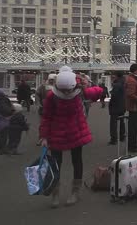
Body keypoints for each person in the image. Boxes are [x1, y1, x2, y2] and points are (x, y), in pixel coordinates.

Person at [39, 66, 103, 207]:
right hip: (57, 132)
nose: (67, 93)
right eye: (64, 90)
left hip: (75, 131)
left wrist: (86, 83)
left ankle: (75, 192)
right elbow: (46, 117)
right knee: (56, 164)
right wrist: (44, 137)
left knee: (77, 161)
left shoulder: (80, 92)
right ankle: (55, 193)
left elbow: (98, 91)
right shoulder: (52, 96)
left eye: (69, 90)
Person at [125, 64, 137, 153]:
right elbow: (130, 94)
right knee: (133, 128)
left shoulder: (131, 79)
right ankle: (132, 146)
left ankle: (133, 145)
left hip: (134, 107)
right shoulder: (132, 81)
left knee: (134, 127)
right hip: (134, 107)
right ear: (135, 71)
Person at [108, 72, 126, 145]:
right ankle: (122, 136)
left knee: (113, 123)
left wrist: (111, 104)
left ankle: (114, 139)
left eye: (113, 75)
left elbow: (114, 96)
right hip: (122, 105)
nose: (112, 77)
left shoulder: (117, 85)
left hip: (115, 106)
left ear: (117, 76)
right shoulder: (123, 83)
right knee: (122, 121)